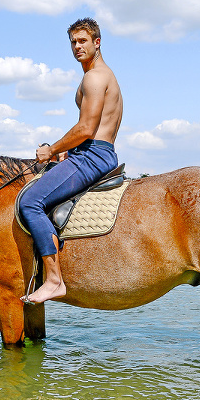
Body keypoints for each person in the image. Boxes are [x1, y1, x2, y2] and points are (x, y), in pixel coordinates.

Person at [19, 17, 123, 305]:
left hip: (93, 155)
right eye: (73, 42)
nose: (77, 46)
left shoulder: (94, 76)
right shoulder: (99, 75)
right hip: (91, 151)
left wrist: (51, 149)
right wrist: (67, 149)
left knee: (30, 202)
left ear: (97, 42)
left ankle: (54, 280)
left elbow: (87, 128)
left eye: (83, 41)